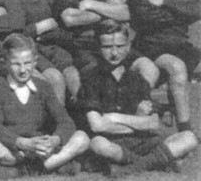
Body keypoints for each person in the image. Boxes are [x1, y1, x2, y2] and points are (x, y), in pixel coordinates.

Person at [79, 22, 198, 176]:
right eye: (108, 47)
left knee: (189, 138)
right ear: (98, 48)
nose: (114, 53)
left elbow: (153, 123)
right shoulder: (91, 77)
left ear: (128, 48)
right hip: (112, 142)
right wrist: (137, 121)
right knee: (98, 144)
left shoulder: (136, 79)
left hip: (140, 141)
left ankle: (130, 168)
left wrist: (114, 117)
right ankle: (154, 163)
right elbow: (97, 126)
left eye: (120, 46)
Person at [124, 0, 201, 134]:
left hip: (180, 43)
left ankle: (171, 110)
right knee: (176, 67)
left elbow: (196, 10)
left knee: (183, 63)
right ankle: (185, 129)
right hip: (151, 45)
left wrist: (164, 1)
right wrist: (179, 8)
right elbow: (144, 16)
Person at [0, 34, 89, 178]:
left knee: (82, 137)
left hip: (41, 149)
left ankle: (32, 168)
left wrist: (54, 140)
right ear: (5, 62)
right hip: (14, 148)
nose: (23, 69)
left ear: (35, 62)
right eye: (16, 64)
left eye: (27, 63)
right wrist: (23, 143)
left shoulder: (43, 87)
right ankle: (46, 165)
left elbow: (65, 121)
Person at [14, 0, 80, 104]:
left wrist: (53, 30)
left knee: (73, 75)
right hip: (30, 50)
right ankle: (59, 122)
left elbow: (66, 24)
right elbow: (16, 31)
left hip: (57, 47)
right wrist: (41, 26)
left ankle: (84, 117)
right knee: (54, 78)